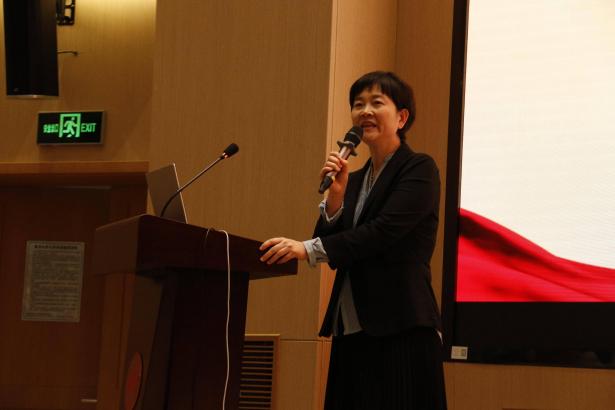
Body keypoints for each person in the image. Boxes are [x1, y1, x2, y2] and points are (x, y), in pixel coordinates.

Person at [260, 71, 446, 410]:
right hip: (351, 325)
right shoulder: (354, 179)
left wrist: (305, 249)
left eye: (377, 102)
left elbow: (382, 233)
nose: (365, 111)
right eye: (358, 104)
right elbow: (336, 250)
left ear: (401, 118)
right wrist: (335, 199)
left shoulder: (419, 169)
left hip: (401, 323)